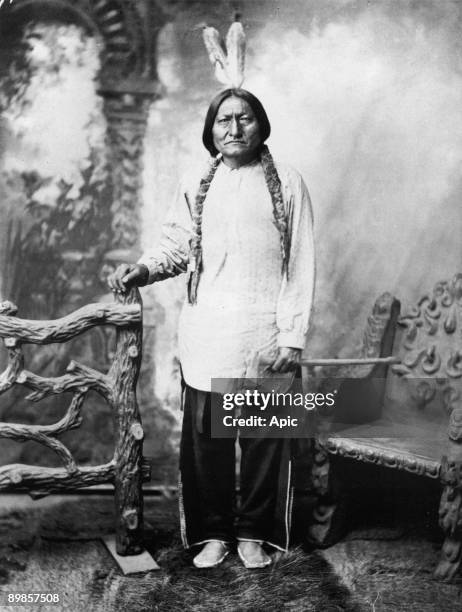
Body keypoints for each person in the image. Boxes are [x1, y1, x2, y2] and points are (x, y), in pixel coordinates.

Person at [108, 88, 315, 569]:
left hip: (266, 331)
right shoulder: (197, 180)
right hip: (208, 333)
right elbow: (176, 246)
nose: (234, 129)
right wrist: (144, 269)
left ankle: (253, 535)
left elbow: (301, 261)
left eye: (245, 119)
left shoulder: (288, 181)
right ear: (210, 129)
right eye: (224, 120)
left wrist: (292, 336)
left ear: (262, 125)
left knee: (264, 443)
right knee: (207, 447)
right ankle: (215, 534)